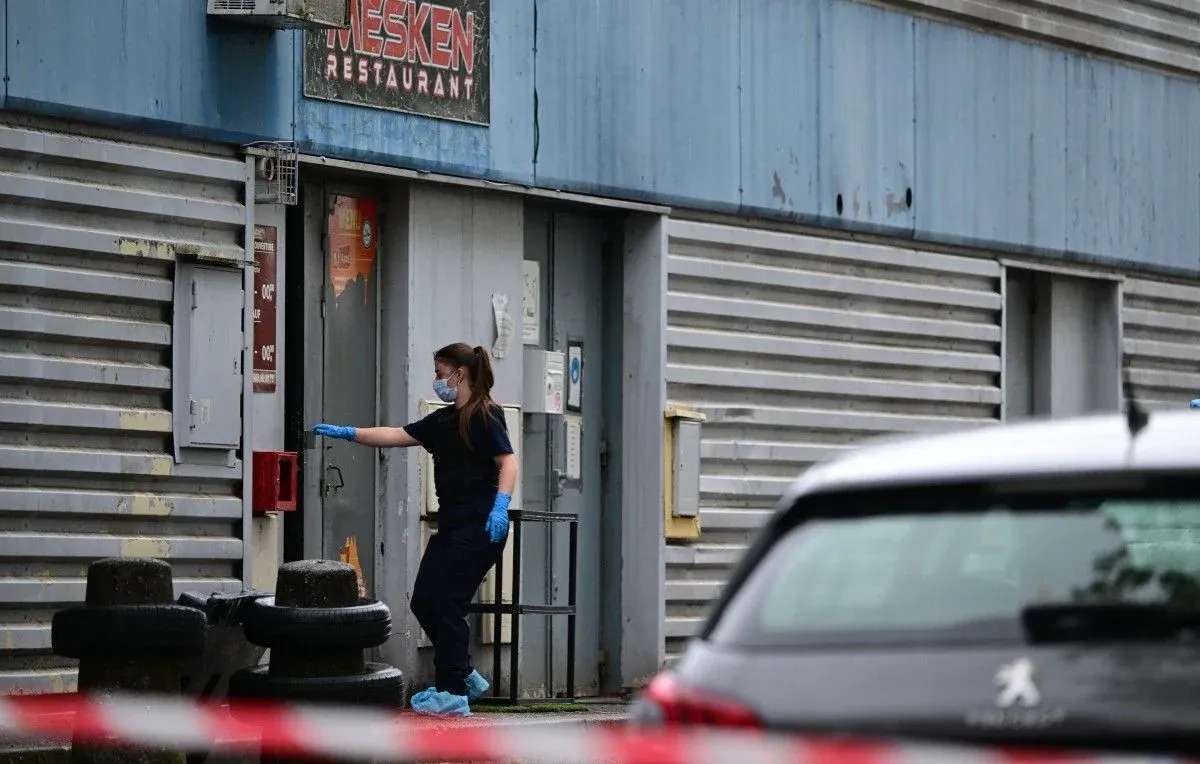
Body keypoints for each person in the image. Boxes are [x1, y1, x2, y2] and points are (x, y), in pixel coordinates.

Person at [312, 342, 517, 717]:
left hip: (481, 526)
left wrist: (501, 504)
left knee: (448, 604)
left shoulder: (485, 415)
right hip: (452, 525)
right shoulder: (441, 422)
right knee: (424, 600)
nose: (436, 381)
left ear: (461, 374)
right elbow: (395, 434)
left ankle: (452, 691)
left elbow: (507, 461)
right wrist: (348, 433)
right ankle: (464, 672)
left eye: (440, 373)